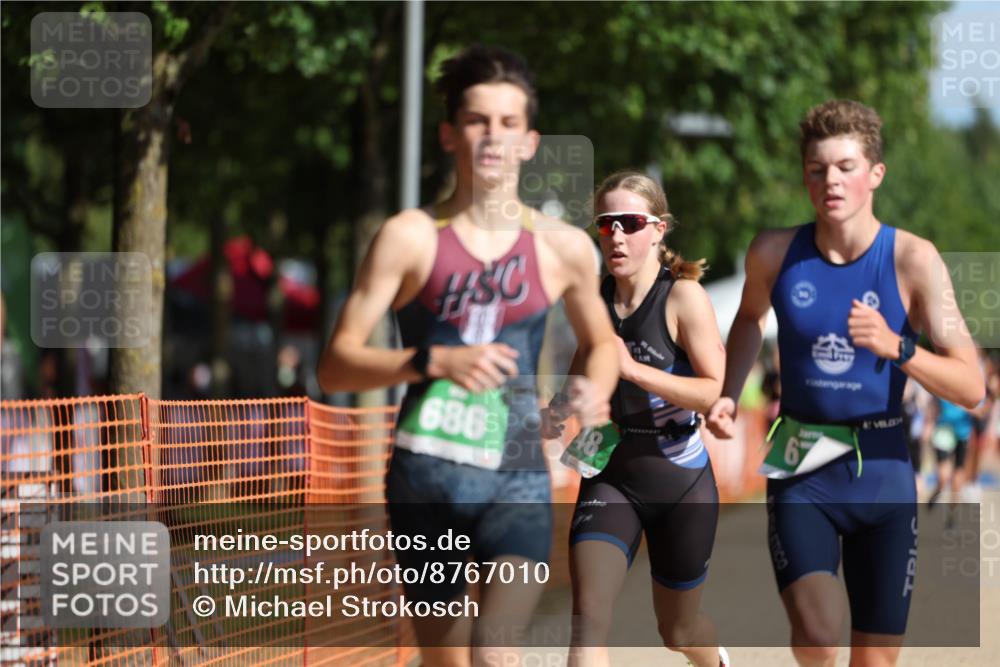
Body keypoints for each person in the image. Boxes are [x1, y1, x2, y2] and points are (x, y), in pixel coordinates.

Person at [317, 44, 619, 666]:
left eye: (508, 124)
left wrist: (594, 392)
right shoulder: (409, 237)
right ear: (449, 134)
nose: (493, 137)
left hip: (515, 478)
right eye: (478, 121)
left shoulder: (562, 248)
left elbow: (602, 344)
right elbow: (336, 363)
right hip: (425, 475)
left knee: (495, 650)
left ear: (530, 142)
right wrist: (428, 361)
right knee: (448, 661)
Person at [705, 99, 984, 667]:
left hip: (883, 467)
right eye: (817, 169)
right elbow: (748, 320)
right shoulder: (774, 252)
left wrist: (898, 346)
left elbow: (971, 384)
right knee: (818, 632)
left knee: (875, 659)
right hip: (801, 460)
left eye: (845, 166)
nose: (830, 180)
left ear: (875, 174)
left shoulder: (913, 260)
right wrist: (728, 393)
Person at [550, 171, 729, 667]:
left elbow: (714, 390)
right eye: (606, 225)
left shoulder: (683, 298)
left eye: (630, 223)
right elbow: (585, 355)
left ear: (659, 229)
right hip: (609, 474)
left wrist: (635, 371)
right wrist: (555, 411)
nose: (617, 236)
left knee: (678, 631)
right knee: (588, 619)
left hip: (680, 483)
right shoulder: (593, 297)